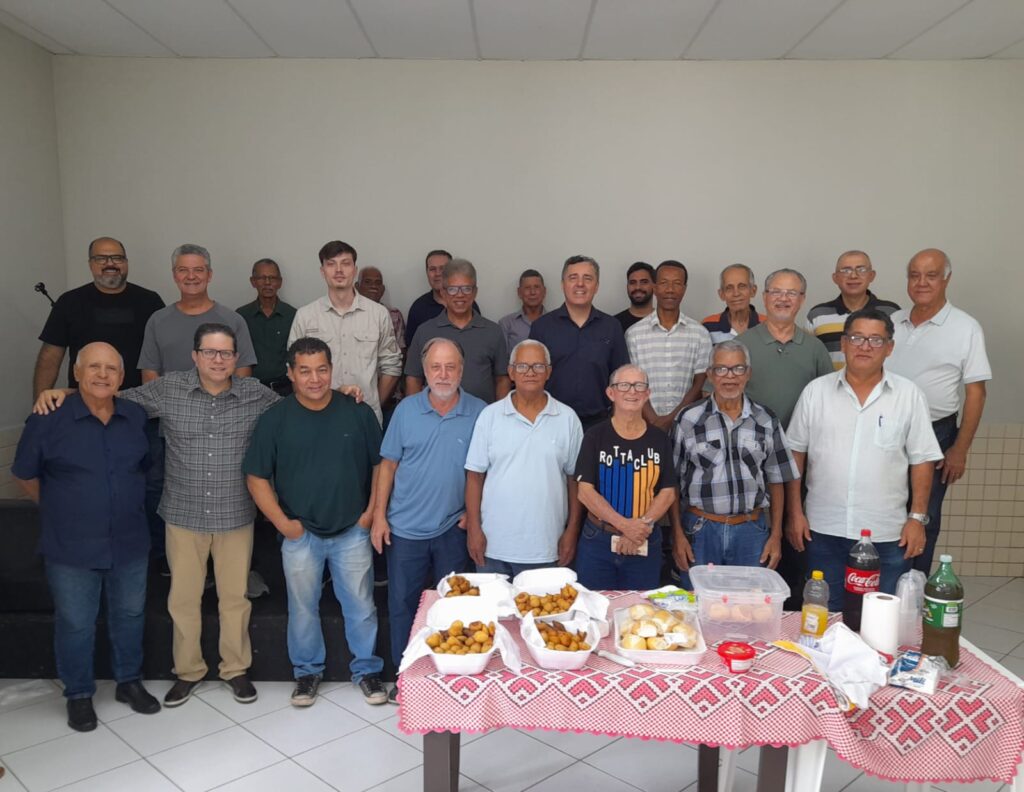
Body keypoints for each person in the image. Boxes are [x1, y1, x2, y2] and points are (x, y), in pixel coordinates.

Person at [36, 324, 279, 707]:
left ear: (236, 359)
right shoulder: (167, 389)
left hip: (235, 514)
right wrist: (63, 392)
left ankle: (235, 669)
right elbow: (109, 393)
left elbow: (301, 403)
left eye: (226, 353)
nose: (218, 360)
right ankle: (189, 672)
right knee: (183, 599)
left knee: (235, 599)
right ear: (195, 355)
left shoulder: (257, 395)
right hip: (182, 515)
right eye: (210, 352)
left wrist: (344, 393)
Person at [14, 343, 160, 732]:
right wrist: (63, 507)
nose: (102, 374)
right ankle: (79, 694)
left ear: (122, 376)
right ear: (75, 373)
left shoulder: (134, 415)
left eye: (112, 368)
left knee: (130, 615)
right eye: (93, 367)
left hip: (129, 540)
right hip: (71, 544)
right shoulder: (48, 417)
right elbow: (25, 474)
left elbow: (143, 468)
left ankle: (128, 682)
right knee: (76, 622)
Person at [244, 337, 386, 707]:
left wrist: (370, 513)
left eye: (322, 369)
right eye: (304, 371)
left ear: (331, 370)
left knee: (361, 604)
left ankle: (368, 671)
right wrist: (282, 523)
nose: (314, 378)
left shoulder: (357, 412)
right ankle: (307, 673)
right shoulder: (275, 419)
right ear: (290, 373)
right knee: (302, 606)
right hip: (300, 534)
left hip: (352, 530)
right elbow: (256, 477)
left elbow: (380, 465)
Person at [786, 309, 943, 608]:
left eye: (875, 339)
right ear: (843, 343)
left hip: (887, 533)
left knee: (881, 620)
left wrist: (917, 518)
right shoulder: (815, 393)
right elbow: (796, 454)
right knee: (824, 616)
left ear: (889, 347)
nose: (865, 346)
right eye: (857, 338)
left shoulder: (908, 396)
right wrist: (795, 512)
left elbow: (922, 460)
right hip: (823, 529)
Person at [372, 338, 486, 703]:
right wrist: (378, 517)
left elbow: (486, 471)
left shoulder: (480, 412)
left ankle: (447, 676)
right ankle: (405, 677)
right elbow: (387, 466)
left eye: (450, 366)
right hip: (404, 529)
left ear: (462, 370)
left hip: (453, 527)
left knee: (451, 607)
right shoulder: (405, 411)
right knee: (403, 605)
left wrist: (473, 513)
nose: (443, 374)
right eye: (436, 367)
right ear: (424, 371)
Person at [887, 248, 991, 574]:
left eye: (931, 275)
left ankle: (911, 593)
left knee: (922, 516)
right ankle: (880, 588)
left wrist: (959, 448)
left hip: (935, 431)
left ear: (946, 279)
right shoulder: (893, 323)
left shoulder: (965, 327)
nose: (922, 282)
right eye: (915, 275)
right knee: (883, 512)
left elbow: (976, 392)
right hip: (886, 429)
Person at [737, 268, 831, 607]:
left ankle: (788, 616)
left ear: (802, 299)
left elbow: (829, 399)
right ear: (763, 297)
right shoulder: (742, 345)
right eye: (776, 291)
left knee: (796, 541)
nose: (783, 298)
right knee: (757, 549)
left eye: (792, 293)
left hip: (800, 465)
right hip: (749, 467)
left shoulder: (815, 348)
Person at [672, 341, 799, 584]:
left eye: (738, 369)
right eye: (721, 369)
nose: (730, 377)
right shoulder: (688, 420)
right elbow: (672, 485)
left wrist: (776, 536)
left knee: (748, 610)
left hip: (751, 532)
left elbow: (777, 480)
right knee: (697, 607)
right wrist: (677, 535)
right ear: (710, 375)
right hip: (700, 531)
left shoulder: (766, 420)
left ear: (748, 374)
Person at [465, 340, 583, 576]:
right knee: (493, 614)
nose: (530, 373)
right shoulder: (490, 416)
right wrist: (473, 530)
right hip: (493, 546)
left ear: (549, 372)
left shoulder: (567, 418)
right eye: (522, 366)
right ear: (510, 372)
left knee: (544, 613)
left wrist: (571, 532)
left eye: (538, 366)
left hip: (548, 547)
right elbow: (475, 477)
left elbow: (575, 481)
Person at [572, 364, 678, 590]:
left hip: (645, 539)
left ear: (647, 394)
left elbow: (668, 492)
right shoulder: (595, 436)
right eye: (624, 386)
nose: (632, 391)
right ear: (611, 393)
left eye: (639, 386)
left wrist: (641, 528)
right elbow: (585, 491)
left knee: (640, 613)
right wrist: (624, 526)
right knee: (596, 609)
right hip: (598, 540)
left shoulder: (659, 439)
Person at [288, 241, 402, 424]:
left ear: (355, 270)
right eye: (331, 264)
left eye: (346, 263)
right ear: (322, 271)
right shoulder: (306, 316)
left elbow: (391, 366)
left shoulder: (378, 314)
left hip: (366, 417)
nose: (339, 270)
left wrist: (372, 404)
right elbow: (293, 369)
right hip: (317, 418)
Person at [34, 236, 164, 395]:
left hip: (139, 403)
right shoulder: (69, 302)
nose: (110, 263)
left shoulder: (150, 301)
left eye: (117, 258)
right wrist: (39, 406)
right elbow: (50, 358)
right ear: (90, 264)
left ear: (126, 262)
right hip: (85, 403)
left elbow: (166, 354)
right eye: (101, 258)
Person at [529, 255, 630, 430]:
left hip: (599, 424)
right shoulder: (542, 327)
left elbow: (621, 378)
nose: (580, 284)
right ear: (563, 285)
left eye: (588, 278)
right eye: (573, 278)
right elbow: (532, 377)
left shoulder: (611, 327)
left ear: (596, 286)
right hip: (550, 423)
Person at [138, 243, 257, 380]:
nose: (191, 276)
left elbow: (243, 373)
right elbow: (149, 374)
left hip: (222, 401)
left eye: (198, 270)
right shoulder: (157, 321)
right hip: (169, 401)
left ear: (209, 275)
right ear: (174, 275)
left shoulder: (233, 321)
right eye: (183, 270)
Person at [405, 258, 510, 403]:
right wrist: (416, 414)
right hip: (435, 419)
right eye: (453, 289)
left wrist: (499, 417)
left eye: (466, 288)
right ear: (443, 292)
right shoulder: (424, 331)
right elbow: (413, 378)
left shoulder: (493, 332)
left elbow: (502, 379)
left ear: (475, 292)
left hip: (482, 420)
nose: (460, 295)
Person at [626, 260, 713, 432]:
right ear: (655, 287)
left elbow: (699, 383)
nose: (670, 290)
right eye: (664, 283)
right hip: (644, 425)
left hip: (687, 426)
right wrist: (653, 420)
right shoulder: (634, 334)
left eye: (677, 284)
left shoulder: (700, 333)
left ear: (684, 289)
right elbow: (632, 382)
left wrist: (672, 418)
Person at [806, 251, 900, 370]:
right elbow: (810, 359)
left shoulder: (892, 312)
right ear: (835, 278)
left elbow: (899, 356)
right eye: (846, 270)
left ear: (872, 275)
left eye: (861, 270)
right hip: (830, 386)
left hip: (880, 387)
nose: (853, 276)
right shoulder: (817, 315)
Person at [237, 257, 296, 394]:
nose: (268, 283)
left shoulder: (293, 315)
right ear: (253, 282)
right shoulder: (241, 316)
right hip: (251, 391)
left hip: (286, 390)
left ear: (280, 282)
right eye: (262, 278)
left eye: (273, 278)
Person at [405, 249, 478, 346]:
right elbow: (412, 349)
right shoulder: (418, 308)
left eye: (442, 269)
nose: (438, 274)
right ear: (427, 273)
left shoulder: (467, 304)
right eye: (432, 269)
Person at [702, 263, 764, 344]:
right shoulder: (708, 325)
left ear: (753, 291)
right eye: (729, 288)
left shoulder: (767, 325)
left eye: (742, 286)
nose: (736, 293)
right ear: (721, 294)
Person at [357, 265, 408, 353]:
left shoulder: (394, 315)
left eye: (378, 282)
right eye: (368, 282)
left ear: (383, 289)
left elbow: (401, 350)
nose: (373, 286)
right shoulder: (348, 313)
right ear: (357, 286)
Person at [498, 269, 546, 352]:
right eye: (527, 288)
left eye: (537, 287)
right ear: (519, 292)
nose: (532, 292)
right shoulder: (506, 324)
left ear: (544, 291)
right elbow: (501, 359)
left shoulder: (556, 322)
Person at [614, 262, 655, 332]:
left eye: (644, 282)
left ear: (654, 286)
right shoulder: (614, 324)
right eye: (632, 282)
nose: (638, 287)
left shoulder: (664, 321)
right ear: (627, 286)